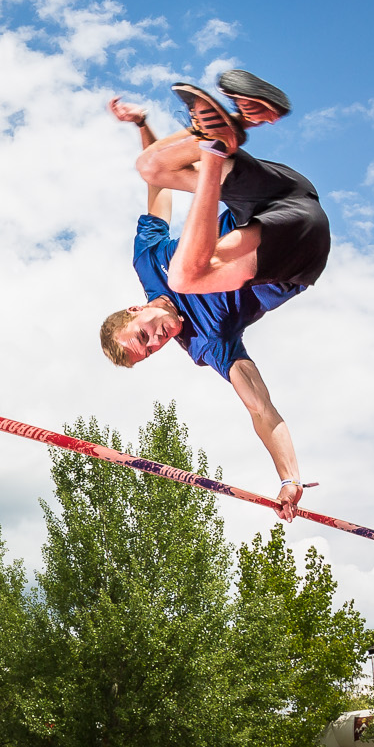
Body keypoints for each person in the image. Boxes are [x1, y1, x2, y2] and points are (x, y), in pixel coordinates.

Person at [101, 77, 321, 516]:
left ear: (135, 309)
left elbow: (158, 191)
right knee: (185, 275)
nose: (158, 342)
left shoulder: (146, 263)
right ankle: (214, 148)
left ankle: (229, 128)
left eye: (143, 337)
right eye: (152, 351)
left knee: (150, 167)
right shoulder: (207, 343)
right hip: (295, 252)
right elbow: (260, 408)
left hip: (279, 199)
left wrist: (143, 124)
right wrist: (289, 476)